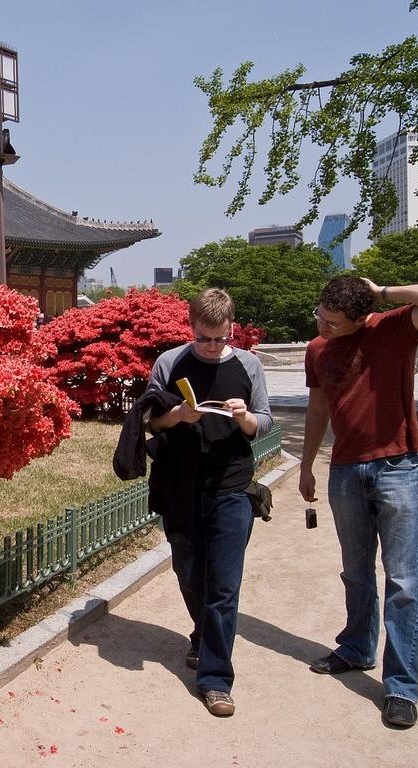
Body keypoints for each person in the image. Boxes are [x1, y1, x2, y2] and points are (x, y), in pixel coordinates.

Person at [299, 275, 418, 729]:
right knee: (355, 570)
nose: (323, 327)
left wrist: (383, 292)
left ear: (360, 316)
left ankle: (401, 686)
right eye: (320, 316)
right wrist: (308, 465)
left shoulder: (393, 327)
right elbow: (317, 410)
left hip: (400, 467)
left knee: (404, 580)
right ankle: (356, 647)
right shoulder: (316, 349)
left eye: (333, 322)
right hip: (345, 469)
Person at [142, 288, 272, 717]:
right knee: (189, 572)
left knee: (224, 585)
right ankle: (203, 635)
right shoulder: (170, 362)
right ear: (191, 327)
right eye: (203, 338)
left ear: (232, 328)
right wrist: (178, 415)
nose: (212, 346)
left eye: (220, 338)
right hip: (181, 485)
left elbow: (264, 423)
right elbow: (150, 421)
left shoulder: (248, 364)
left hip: (233, 486)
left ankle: (216, 680)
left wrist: (243, 417)